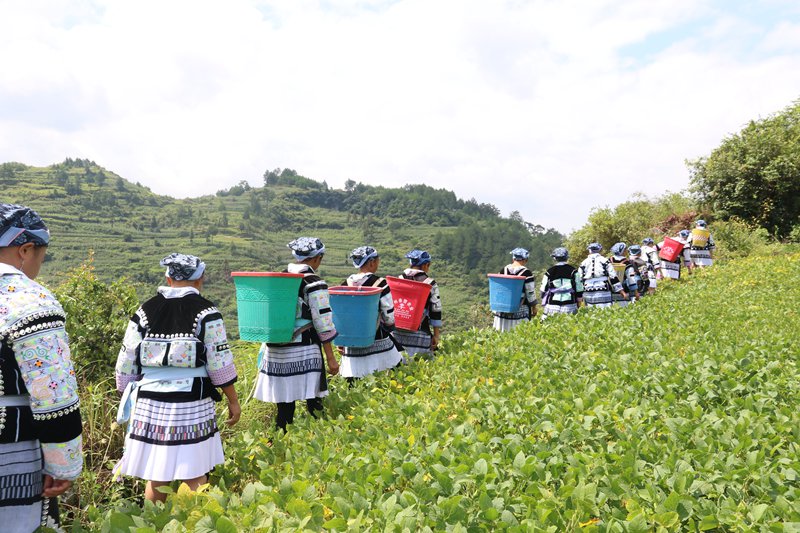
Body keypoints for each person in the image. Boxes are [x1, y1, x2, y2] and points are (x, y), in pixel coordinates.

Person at [114, 253, 240, 503]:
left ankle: (153, 522)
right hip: (191, 401)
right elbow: (219, 361)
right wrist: (233, 401)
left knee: (157, 474)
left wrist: (126, 391)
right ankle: (190, 520)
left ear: (168, 278)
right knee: (194, 472)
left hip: (149, 400)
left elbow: (127, 358)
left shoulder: (145, 310)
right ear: (200, 279)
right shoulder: (207, 312)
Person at [0, 204, 82, 532]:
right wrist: (64, 465)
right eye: (41, 257)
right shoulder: (30, 302)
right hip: (12, 450)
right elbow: (54, 393)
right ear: (25, 250)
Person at [253, 238, 339, 431]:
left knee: (284, 407)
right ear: (317, 258)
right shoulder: (313, 282)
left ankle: (280, 439)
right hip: (304, 350)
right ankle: (318, 438)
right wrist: (331, 358)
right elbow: (323, 322)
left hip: (276, 350)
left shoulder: (278, 279)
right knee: (314, 404)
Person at [339, 246, 403, 379]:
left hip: (351, 340)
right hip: (376, 338)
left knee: (354, 380)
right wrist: (390, 326)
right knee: (394, 370)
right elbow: (389, 315)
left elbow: (341, 314)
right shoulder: (380, 283)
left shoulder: (345, 284)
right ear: (372, 262)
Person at [392, 250, 442, 357]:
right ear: (425, 265)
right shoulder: (430, 283)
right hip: (421, 333)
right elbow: (435, 310)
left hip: (397, 332)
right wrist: (436, 335)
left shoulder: (398, 279)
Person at [492, 248, 538, 331]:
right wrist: (534, 307)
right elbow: (530, 292)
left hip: (503, 308)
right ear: (525, 260)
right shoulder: (527, 273)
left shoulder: (503, 270)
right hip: (520, 309)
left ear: (513, 258)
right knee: (518, 332)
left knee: (502, 333)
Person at [578, 242, 627, 309]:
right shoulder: (605, 261)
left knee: (591, 311)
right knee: (604, 310)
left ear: (589, 251)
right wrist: (621, 291)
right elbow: (613, 277)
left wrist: (579, 295)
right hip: (603, 288)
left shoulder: (583, 263)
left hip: (588, 289)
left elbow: (579, 279)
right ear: (600, 250)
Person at [539, 247, 583, 316]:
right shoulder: (573, 271)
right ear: (567, 257)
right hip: (570, 304)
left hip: (552, 305)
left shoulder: (549, 271)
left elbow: (543, 289)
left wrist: (543, 298)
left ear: (555, 258)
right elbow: (579, 288)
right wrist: (579, 300)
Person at [608, 243, 639, 307]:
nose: (626, 251)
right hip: (624, 288)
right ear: (622, 251)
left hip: (610, 289)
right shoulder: (626, 263)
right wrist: (636, 292)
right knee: (624, 307)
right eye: (625, 249)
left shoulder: (609, 261)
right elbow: (631, 278)